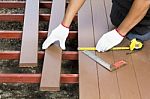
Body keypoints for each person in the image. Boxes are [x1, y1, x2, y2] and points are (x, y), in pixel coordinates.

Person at [42, 0, 150, 52]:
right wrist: (64, 25)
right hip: (122, 8)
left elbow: (144, 2)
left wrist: (120, 32)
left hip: (145, 19)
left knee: (138, 35)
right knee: (116, 18)